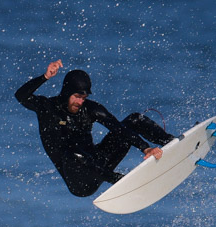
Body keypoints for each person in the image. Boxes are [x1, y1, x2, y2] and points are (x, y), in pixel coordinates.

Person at [15, 59, 177, 197]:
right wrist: (45, 77)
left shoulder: (89, 109)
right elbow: (20, 96)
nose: (80, 102)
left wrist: (145, 148)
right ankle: (122, 180)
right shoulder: (48, 108)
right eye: (77, 97)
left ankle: (173, 142)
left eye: (84, 97)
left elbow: (118, 129)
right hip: (80, 181)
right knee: (74, 154)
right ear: (66, 93)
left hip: (99, 164)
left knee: (134, 119)